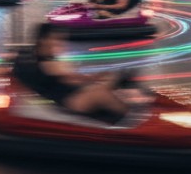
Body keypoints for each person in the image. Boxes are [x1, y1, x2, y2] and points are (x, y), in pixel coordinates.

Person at [13, 24, 141, 122]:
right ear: (43, 40)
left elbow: (73, 79)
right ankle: (134, 122)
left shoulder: (46, 59)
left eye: (61, 40)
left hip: (73, 94)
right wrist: (98, 78)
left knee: (108, 83)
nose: (60, 44)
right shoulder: (45, 63)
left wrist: (102, 78)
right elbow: (72, 77)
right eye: (56, 40)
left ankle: (133, 110)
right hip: (68, 102)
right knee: (100, 93)